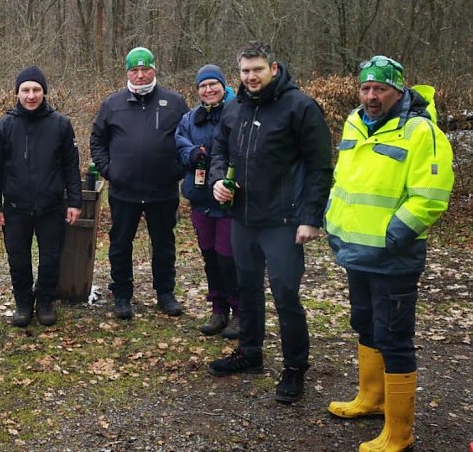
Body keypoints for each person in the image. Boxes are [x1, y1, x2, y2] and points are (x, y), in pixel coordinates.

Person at [325, 56, 453, 451]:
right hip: (356, 253)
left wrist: (391, 235)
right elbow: (343, 182)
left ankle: (399, 433)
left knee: (394, 337)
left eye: (380, 89)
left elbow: (430, 197)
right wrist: (334, 224)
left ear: (398, 90)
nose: (371, 96)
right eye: (365, 88)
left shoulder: (420, 132)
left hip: (393, 257)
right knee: (365, 325)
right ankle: (371, 398)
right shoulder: (354, 123)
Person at [206, 41, 333, 405]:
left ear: (273, 68)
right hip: (243, 217)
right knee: (246, 289)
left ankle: (295, 367)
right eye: (245, 71)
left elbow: (320, 166)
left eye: (257, 70)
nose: (251, 77)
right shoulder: (235, 107)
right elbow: (220, 151)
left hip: (284, 220)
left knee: (285, 294)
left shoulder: (300, 106)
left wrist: (310, 217)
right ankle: (250, 352)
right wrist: (218, 181)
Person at [90, 47, 189, 320]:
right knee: (120, 244)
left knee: (164, 243)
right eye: (135, 70)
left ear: (155, 69)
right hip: (124, 191)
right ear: (127, 72)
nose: (141, 75)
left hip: (163, 190)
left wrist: (178, 170)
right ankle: (122, 294)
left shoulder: (175, 102)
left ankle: (165, 293)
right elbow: (97, 140)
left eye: (146, 69)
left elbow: (188, 138)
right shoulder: (112, 104)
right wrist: (109, 170)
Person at [0, 66, 82, 327]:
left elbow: (71, 167)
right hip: (16, 208)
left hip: (51, 206)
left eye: (36, 90)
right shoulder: (3, 126)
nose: (31, 95)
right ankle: (23, 302)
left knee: (51, 257)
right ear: (17, 93)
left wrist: (74, 201)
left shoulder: (60, 125)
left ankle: (46, 301)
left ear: (44, 92)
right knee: (18, 258)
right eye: (25, 90)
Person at [175, 64, 240, 338]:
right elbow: (178, 143)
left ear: (223, 86)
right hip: (200, 197)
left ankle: (240, 311)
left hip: (229, 200)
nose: (209, 90)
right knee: (210, 256)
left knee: (229, 257)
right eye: (203, 86)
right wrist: (192, 154)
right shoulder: (191, 118)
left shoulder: (237, 113)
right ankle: (218, 308)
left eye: (213, 84)